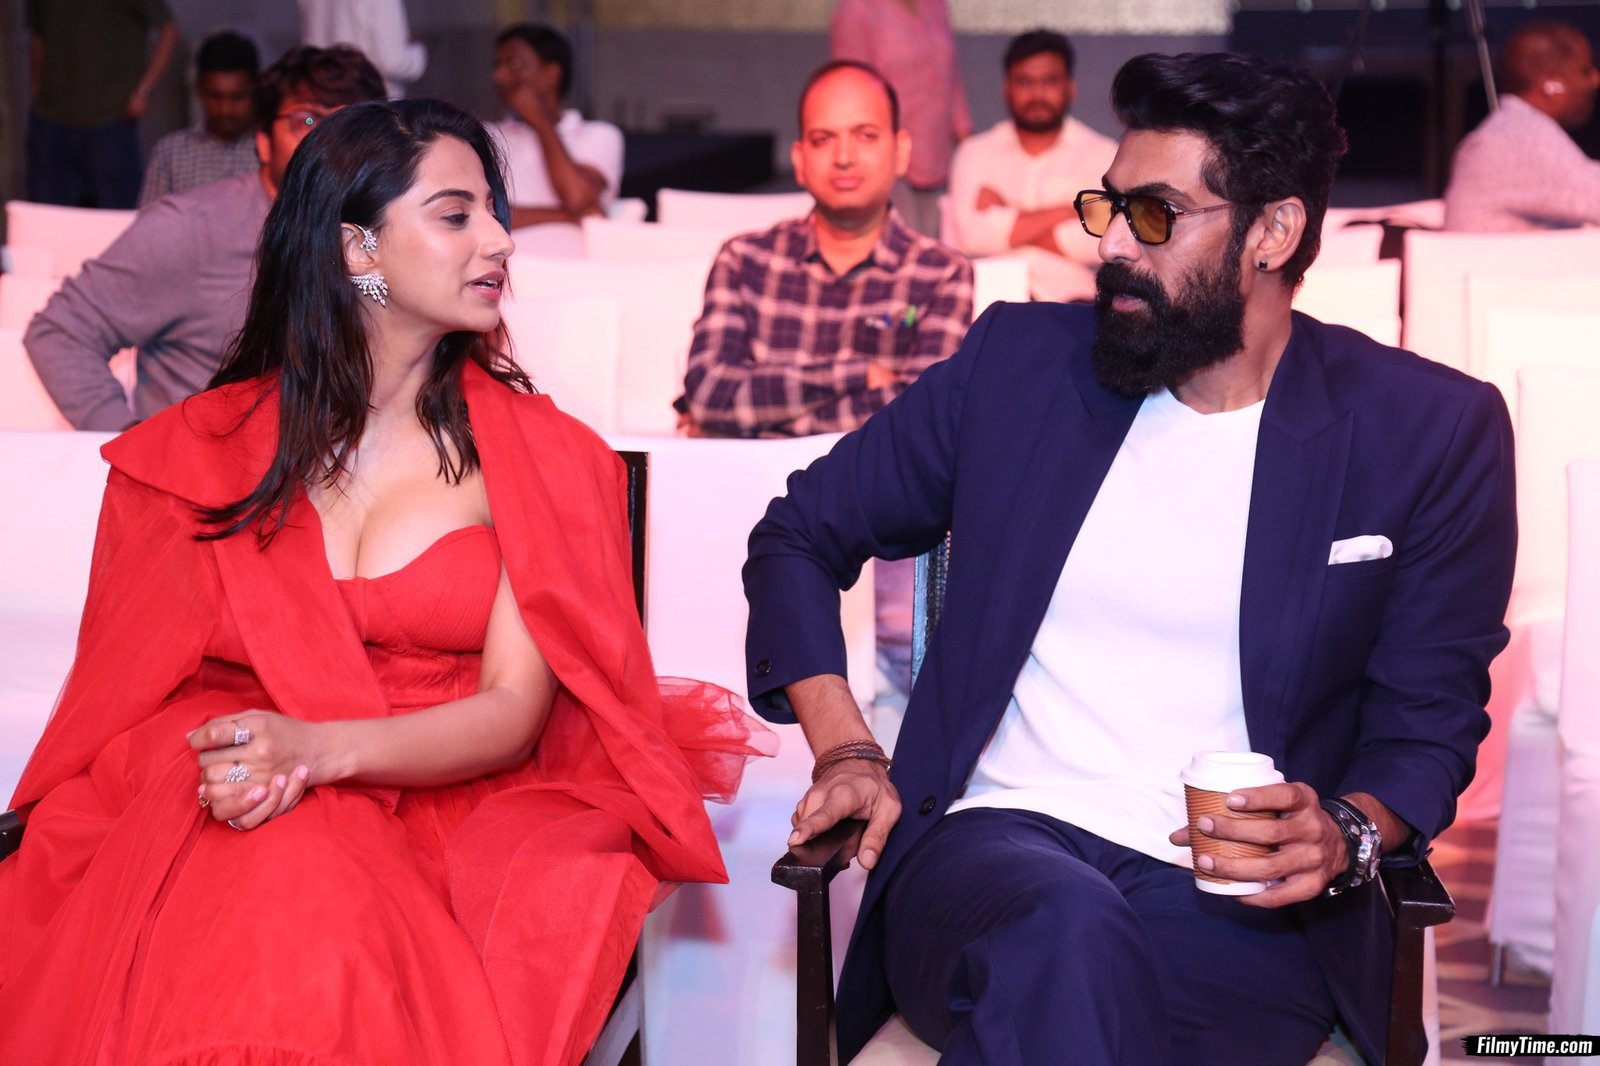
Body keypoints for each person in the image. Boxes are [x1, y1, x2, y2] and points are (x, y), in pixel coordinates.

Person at [746, 51, 1515, 1066]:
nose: (1108, 242)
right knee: (1065, 934)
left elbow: (1427, 722)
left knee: (1082, 998)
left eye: (1155, 215)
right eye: (1108, 206)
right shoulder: (1019, 369)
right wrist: (847, 747)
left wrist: (1345, 829)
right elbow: (798, 534)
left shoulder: (1425, 430)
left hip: (1237, 902)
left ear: (1273, 232)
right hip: (993, 854)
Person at [0, 97, 770, 1065]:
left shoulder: (541, 459)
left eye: (493, 211)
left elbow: (512, 711)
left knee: (309, 886)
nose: (500, 240)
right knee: (269, 870)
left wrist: (319, 751)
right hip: (223, 785)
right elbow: (124, 685)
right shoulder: (199, 454)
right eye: (456, 215)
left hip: (445, 785)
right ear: (357, 249)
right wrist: (268, 761)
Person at [25, 45, 386, 432]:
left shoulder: (391, 230)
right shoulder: (192, 228)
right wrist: (133, 444)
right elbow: (61, 332)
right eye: (307, 121)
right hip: (211, 461)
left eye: (351, 125)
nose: (331, 142)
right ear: (263, 141)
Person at [947, 29, 1117, 302]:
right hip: (991, 302)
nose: (1037, 93)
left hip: (1075, 302)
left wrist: (1006, 212)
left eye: (1049, 81)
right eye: (1025, 82)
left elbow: (1098, 243)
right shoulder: (974, 152)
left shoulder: (1103, 154)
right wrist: (1066, 212)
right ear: (1007, 89)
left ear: (1070, 88)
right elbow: (971, 237)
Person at [830, 0, 971, 237]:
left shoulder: (936, 5)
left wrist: (968, 147)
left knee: (938, 246)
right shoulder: (859, 8)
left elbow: (950, 80)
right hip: (887, 160)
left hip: (937, 157)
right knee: (901, 243)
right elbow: (852, 88)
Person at [1445, 20, 1600, 231]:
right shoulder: (1522, 136)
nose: (1595, 80)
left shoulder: (1513, 127)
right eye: (1585, 71)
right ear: (1551, 85)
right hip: (1499, 253)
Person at [25, 0, 179, 208]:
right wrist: (36, 87)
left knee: (117, 217)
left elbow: (168, 30)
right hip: (50, 121)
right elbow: (37, 35)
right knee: (45, 217)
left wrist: (144, 90)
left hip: (110, 120)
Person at [488, 24, 623, 228]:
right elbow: (483, 214)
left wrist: (540, 122)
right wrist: (567, 216)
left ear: (551, 74)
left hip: (576, 250)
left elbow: (577, 196)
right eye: (497, 65)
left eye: (513, 64)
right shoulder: (487, 135)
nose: (499, 76)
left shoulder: (600, 135)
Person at [138, 31, 262, 206]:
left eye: (238, 97)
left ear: (256, 89)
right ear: (199, 89)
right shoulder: (171, 153)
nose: (225, 110)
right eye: (215, 97)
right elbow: (149, 219)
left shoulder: (270, 151)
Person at [299, 0, 427, 99]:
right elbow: (393, 63)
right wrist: (417, 50)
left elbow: (311, 48)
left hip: (325, 93)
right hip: (372, 104)